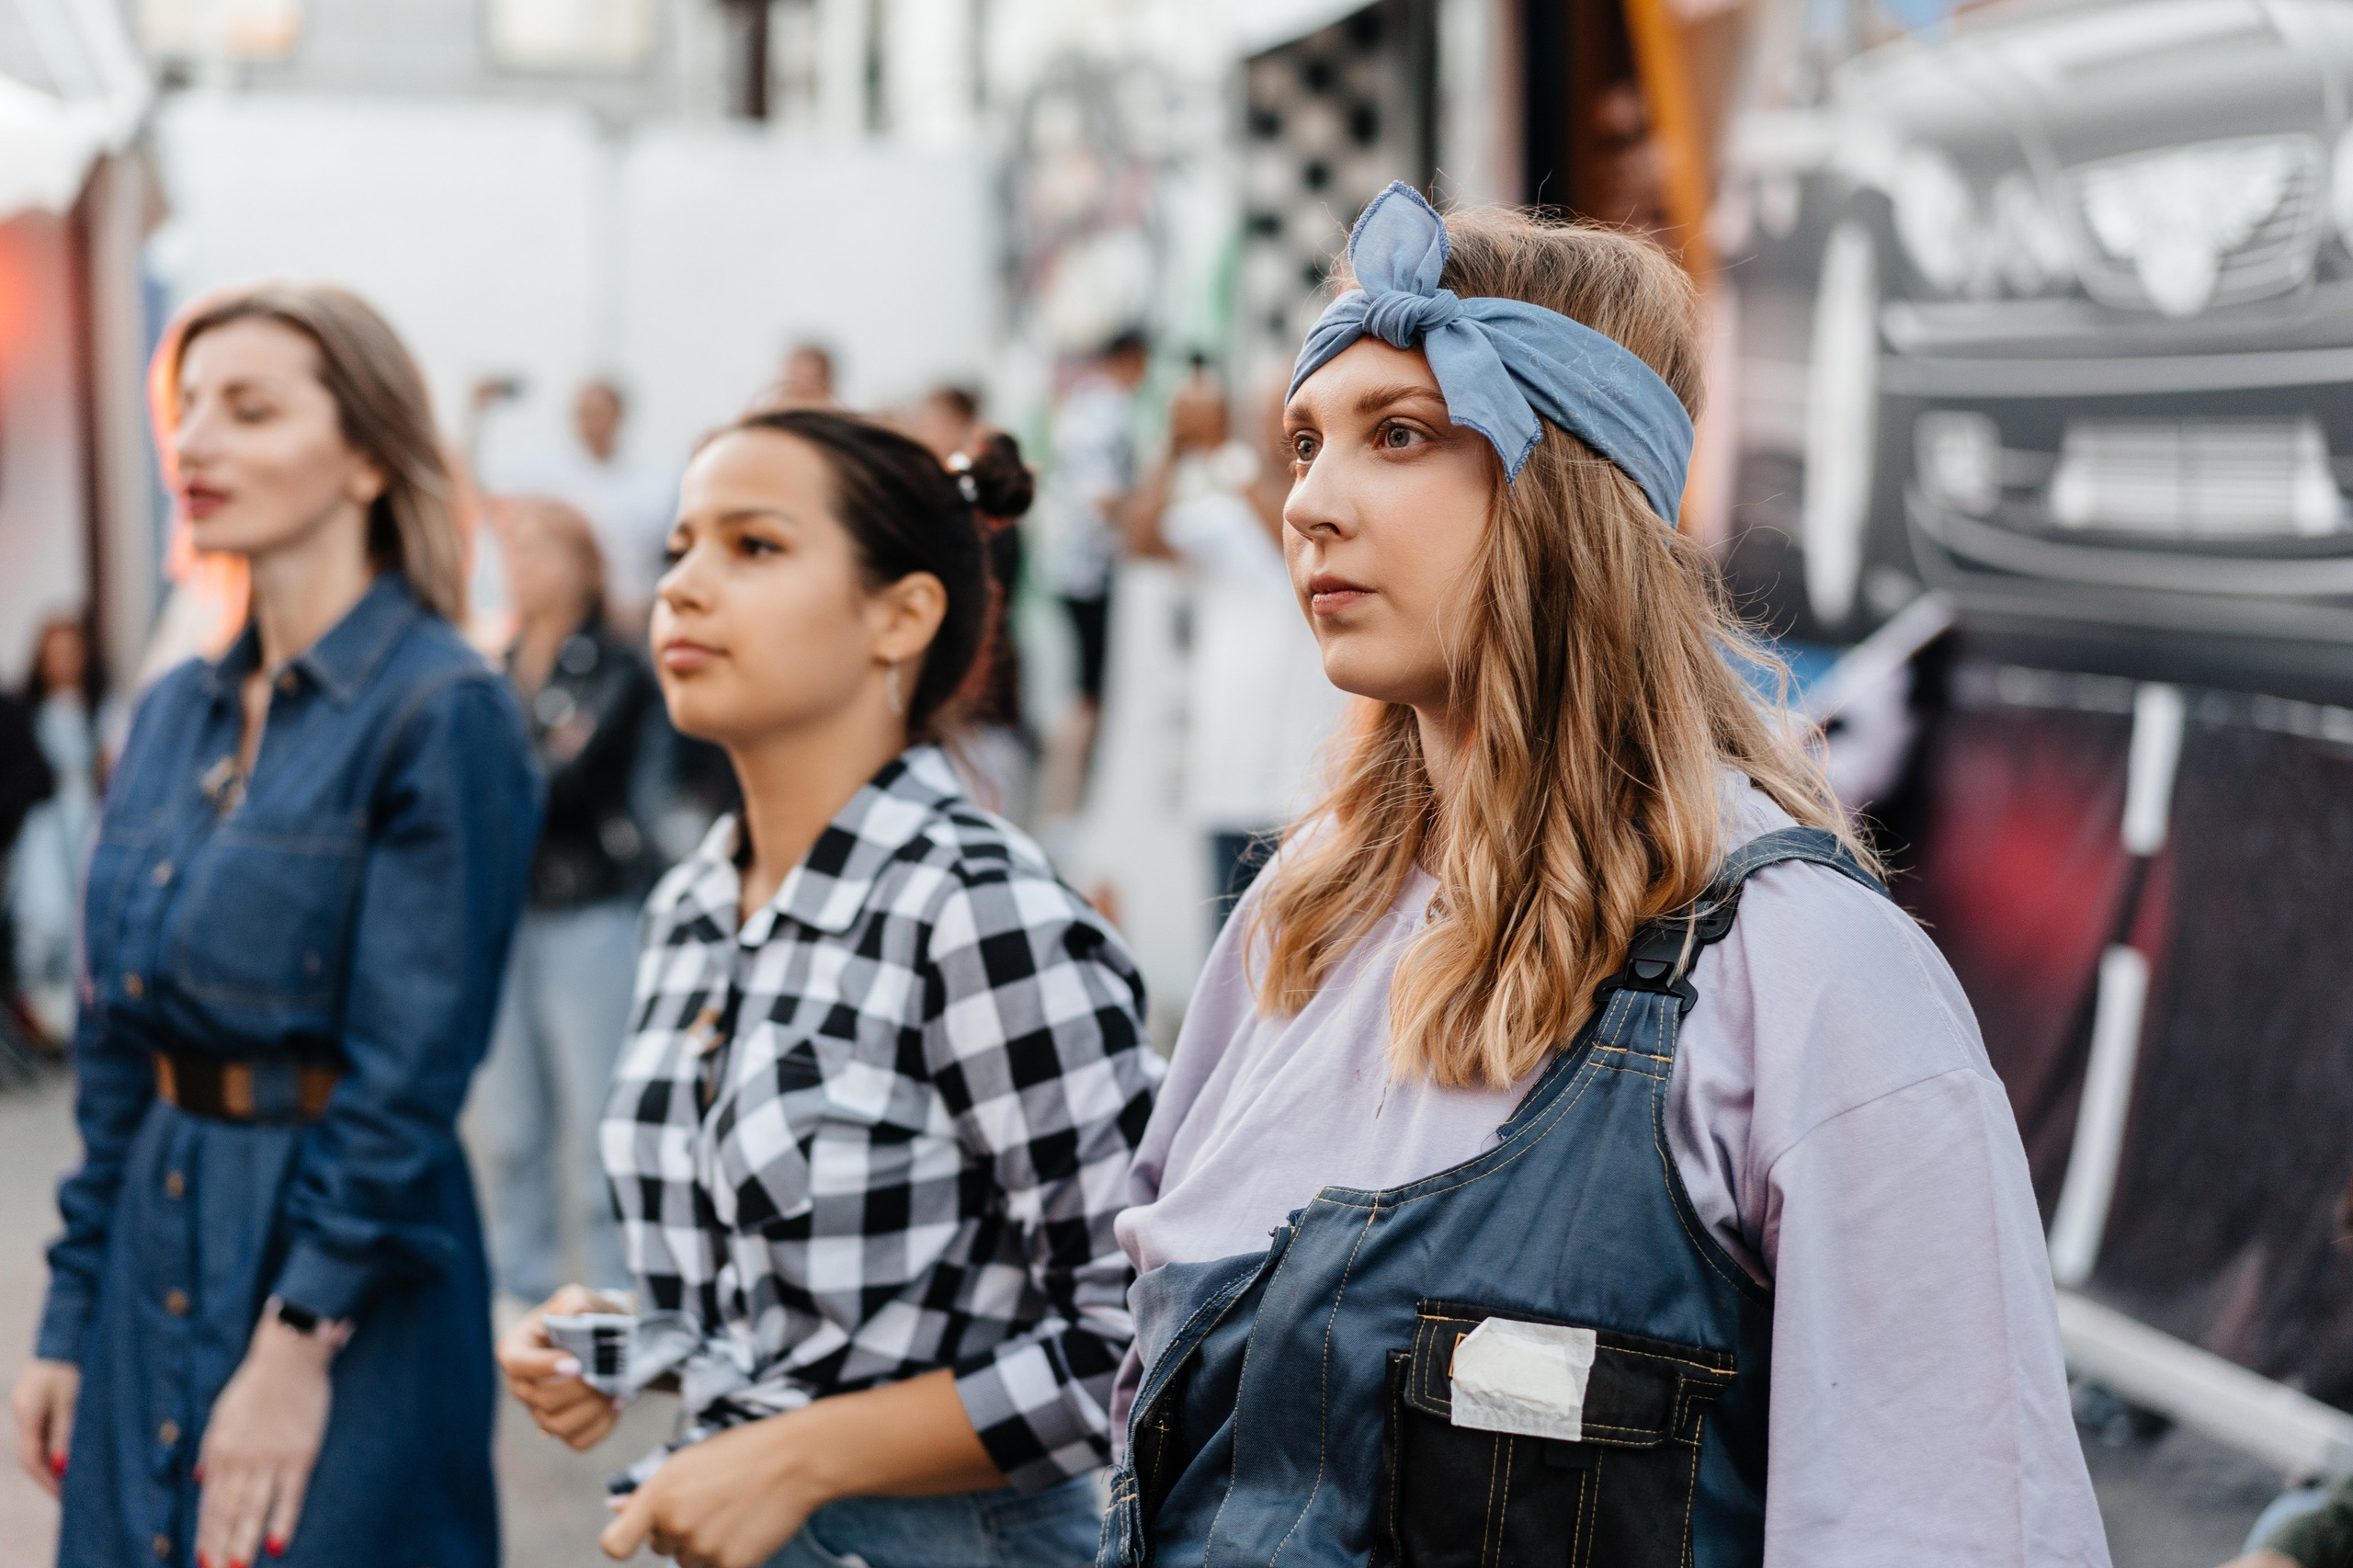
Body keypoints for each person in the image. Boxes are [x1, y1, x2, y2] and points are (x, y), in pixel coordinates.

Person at [1101, 185, 2109, 1567]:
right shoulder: (1295, 924)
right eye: (1303, 442)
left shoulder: (1805, 973)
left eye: (1401, 435)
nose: (1311, 504)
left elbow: (1946, 1525)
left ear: (1566, 490)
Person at [494, 407, 1160, 1568]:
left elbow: (1144, 1333)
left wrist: (800, 1452)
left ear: (901, 613)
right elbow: (793, 1313)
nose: (685, 587)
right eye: (678, 548)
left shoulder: (978, 909)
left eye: (753, 546)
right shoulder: (694, 902)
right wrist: (633, 1342)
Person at [8, 285, 539, 1568]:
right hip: (154, 1231)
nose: (195, 443)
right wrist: (70, 1313)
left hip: (348, 1264)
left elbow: (411, 1071)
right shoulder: (177, 710)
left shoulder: (439, 708)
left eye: (249, 409)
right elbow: (115, 1047)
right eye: (185, 407)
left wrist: (300, 1339)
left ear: (365, 451)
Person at [470, 495, 667, 1306]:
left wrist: (478, 795)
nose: (526, 565)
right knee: (510, 1124)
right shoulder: (498, 663)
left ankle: (617, 1290)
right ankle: (520, 1287)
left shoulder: (614, 665)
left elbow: (567, 781)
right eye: (515, 549)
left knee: (598, 1119)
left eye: (544, 549)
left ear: (586, 564)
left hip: (588, 909)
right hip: (505, 916)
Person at [1120, 368, 1350, 931]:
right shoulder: (1226, 515)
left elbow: (1286, 538)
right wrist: (1173, 450)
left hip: (1311, 798)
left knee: (1302, 976)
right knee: (1229, 978)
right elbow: (1139, 540)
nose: (1277, 433)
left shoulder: (1335, 516)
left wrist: (1221, 450)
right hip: (1224, 788)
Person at [1037, 329, 1148, 816]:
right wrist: (1142, 525)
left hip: (1068, 565)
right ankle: (1067, 804)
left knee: (1081, 687)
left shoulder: (1079, 404)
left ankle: (1064, 800)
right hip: (1094, 571)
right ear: (1132, 359)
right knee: (1090, 692)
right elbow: (1103, 497)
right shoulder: (1109, 408)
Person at [492, 379, 676, 628]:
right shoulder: (543, 471)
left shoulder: (654, 484)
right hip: (563, 616)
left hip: (628, 618)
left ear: (618, 416)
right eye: (582, 414)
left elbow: (663, 557)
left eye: (596, 413)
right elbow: (490, 504)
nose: (588, 423)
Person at [9, 615, 109, 1043]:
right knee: (46, 915)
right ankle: (45, 1016)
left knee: (89, 909)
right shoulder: (27, 713)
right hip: (49, 826)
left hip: (90, 817)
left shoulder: (100, 708)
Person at [772, 342, 839, 410]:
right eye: (796, 376)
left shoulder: (839, 417)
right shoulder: (769, 416)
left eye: (813, 381)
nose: (803, 388)